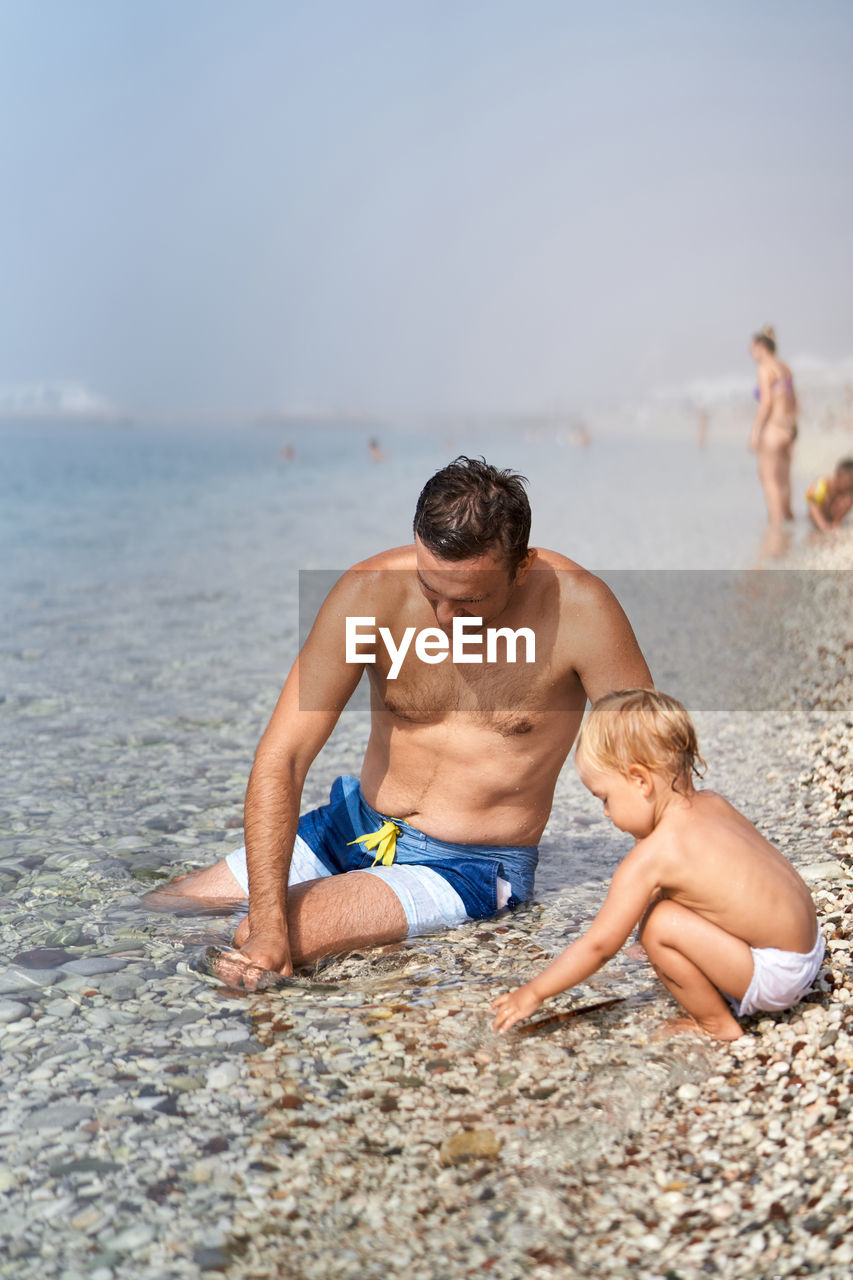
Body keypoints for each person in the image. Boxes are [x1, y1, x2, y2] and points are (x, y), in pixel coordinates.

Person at [151, 457, 651, 989]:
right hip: (353, 825)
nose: (443, 618)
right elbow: (285, 757)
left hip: (466, 864)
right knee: (163, 910)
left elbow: (653, 763)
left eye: (469, 600)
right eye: (430, 589)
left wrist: (663, 913)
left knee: (258, 936)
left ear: (520, 567)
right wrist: (271, 922)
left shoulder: (581, 611)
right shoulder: (368, 594)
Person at [491, 689, 823, 1042]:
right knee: (666, 909)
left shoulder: (653, 856)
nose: (605, 812)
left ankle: (717, 1025)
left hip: (778, 977)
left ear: (640, 780)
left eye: (605, 797)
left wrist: (534, 993)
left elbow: (599, 946)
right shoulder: (714, 804)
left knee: (658, 926)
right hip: (809, 948)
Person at [748, 325, 798, 525]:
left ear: (761, 346)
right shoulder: (785, 368)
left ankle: (776, 531)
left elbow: (766, 403)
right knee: (784, 479)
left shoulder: (764, 368)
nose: (751, 354)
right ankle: (789, 523)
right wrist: (793, 427)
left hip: (773, 428)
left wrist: (755, 432)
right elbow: (794, 400)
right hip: (788, 428)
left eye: (752, 348)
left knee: (768, 479)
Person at [806, 457, 853, 531]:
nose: (849, 488)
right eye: (847, 484)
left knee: (848, 499)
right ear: (837, 477)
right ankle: (823, 522)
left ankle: (836, 522)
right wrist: (822, 524)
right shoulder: (823, 484)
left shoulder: (847, 492)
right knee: (818, 500)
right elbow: (812, 506)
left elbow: (848, 502)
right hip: (815, 518)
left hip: (831, 516)